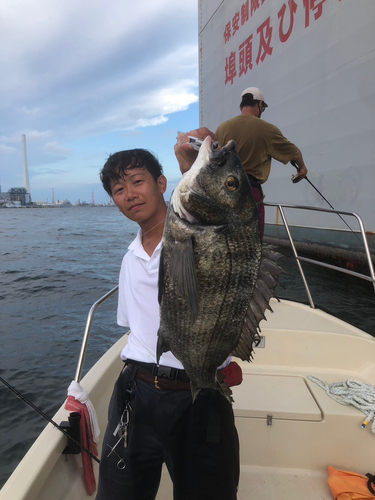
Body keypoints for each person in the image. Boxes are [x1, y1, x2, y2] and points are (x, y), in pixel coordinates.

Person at [96, 149, 240, 500]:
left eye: (137, 181)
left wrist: (198, 162)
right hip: (135, 392)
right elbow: (134, 327)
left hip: (198, 394)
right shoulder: (130, 257)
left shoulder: (200, 237)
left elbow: (224, 216)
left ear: (162, 184)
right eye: (118, 189)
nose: (129, 194)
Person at [175, 87, 308, 237]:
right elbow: (294, 153)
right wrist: (302, 168)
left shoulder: (223, 127)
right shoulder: (267, 129)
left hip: (221, 192)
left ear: (241, 106)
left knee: (226, 239)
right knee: (250, 241)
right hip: (249, 193)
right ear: (260, 105)